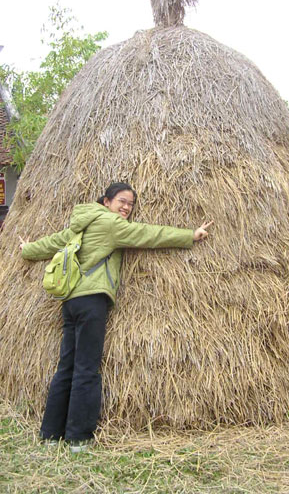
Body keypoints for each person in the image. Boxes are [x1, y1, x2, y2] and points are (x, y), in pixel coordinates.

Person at [20, 182, 212, 452]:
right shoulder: (111, 224)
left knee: (67, 366)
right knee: (87, 369)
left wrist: (27, 249)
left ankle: (50, 433)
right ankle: (78, 437)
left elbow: (53, 243)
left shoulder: (83, 221)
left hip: (71, 301)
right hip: (92, 301)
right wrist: (189, 235)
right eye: (122, 201)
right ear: (107, 201)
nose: (126, 207)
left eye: (130, 204)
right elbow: (148, 234)